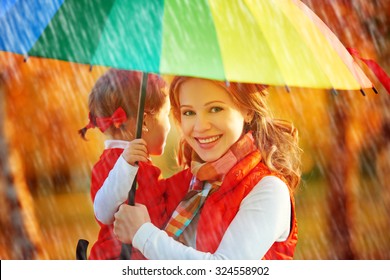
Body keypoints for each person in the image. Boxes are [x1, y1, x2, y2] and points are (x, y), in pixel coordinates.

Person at [112, 76, 302, 260]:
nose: (200, 126)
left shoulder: (269, 189)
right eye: (189, 112)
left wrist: (143, 234)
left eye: (215, 109)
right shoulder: (191, 183)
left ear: (248, 111)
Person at [78, 69, 174, 260]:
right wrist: (125, 165)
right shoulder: (116, 163)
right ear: (144, 120)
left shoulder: (142, 165)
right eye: (167, 115)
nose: (170, 125)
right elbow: (102, 211)